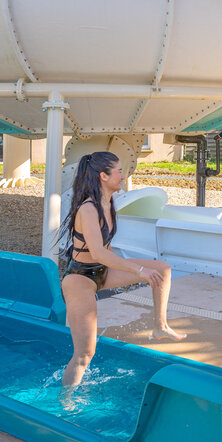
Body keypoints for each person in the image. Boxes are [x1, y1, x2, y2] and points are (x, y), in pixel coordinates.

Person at [60, 151, 186, 389]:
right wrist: (139, 270)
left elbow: (105, 255)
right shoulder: (88, 208)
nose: (123, 174)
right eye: (118, 170)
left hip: (103, 271)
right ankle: (65, 404)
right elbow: (98, 252)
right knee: (84, 354)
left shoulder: (108, 203)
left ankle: (160, 325)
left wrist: (142, 270)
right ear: (103, 176)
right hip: (80, 279)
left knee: (162, 270)